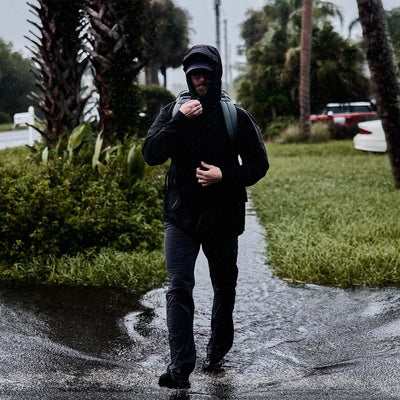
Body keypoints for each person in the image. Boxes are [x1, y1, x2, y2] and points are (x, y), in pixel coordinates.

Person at [142, 44, 269, 390]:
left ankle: (217, 350)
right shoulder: (173, 112)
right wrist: (179, 119)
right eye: (195, 74)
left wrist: (224, 175)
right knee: (178, 288)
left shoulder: (235, 117)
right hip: (180, 217)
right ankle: (180, 366)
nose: (200, 79)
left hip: (222, 218)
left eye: (206, 74)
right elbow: (151, 154)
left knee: (223, 286)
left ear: (216, 76)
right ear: (187, 76)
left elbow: (259, 165)